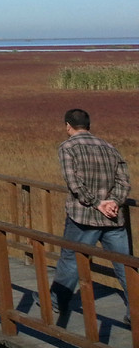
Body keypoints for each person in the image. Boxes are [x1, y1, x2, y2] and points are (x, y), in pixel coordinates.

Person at [50, 108, 132, 326]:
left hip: (83, 217)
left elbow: (74, 183)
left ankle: (56, 301)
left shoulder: (68, 147)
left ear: (68, 126)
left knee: (71, 259)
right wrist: (113, 202)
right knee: (125, 265)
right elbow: (124, 182)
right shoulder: (109, 147)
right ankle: (135, 311)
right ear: (89, 125)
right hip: (113, 218)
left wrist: (97, 203)